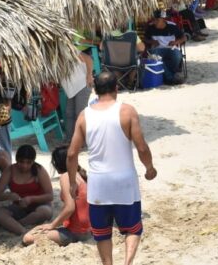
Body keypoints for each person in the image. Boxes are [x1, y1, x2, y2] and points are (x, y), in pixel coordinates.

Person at [68, 72, 157, 265]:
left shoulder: (84, 116)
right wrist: (149, 168)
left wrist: (72, 183)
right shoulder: (127, 111)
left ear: (94, 90)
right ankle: (127, 263)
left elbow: (72, 154)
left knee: (102, 232)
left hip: (98, 183)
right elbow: (141, 146)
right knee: (132, 228)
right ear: (116, 89)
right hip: (124, 181)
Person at [23, 147, 92, 247]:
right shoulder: (81, 175)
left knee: (28, 237)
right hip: (89, 230)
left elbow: (70, 208)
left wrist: (53, 225)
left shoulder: (66, 176)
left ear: (56, 163)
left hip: (76, 232)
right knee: (42, 228)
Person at [0, 144, 55, 235]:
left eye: (28, 163)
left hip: (39, 205)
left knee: (45, 212)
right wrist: (9, 196)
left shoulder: (39, 170)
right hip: (19, 206)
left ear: (33, 162)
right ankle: (22, 231)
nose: (24, 166)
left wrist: (31, 199)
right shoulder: (10, 170)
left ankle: (20, 224)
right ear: (17, 160)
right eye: (21, 162)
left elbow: (50, 196)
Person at [62, 31, 98, 145]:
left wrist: (89, 75)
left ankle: (82, 141)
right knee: (69, 113)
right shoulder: (59, 51)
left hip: (82, 84)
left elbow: (89, 60)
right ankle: (69, 139)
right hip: (72, 86)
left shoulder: (68, 49)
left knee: (79, 112)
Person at [143, 11, 187, 82]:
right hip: (157, 49)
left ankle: (166, 74)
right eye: (154, 19)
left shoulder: (172, 26)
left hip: (170, 48)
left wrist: (176, 42)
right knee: (155, 57)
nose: (155, 22)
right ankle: (170, 78)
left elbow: (184, 37)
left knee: (177, 56)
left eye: (157, 20)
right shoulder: (150, 27)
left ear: (163, 19)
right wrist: (152, 42)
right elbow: (145, 39)